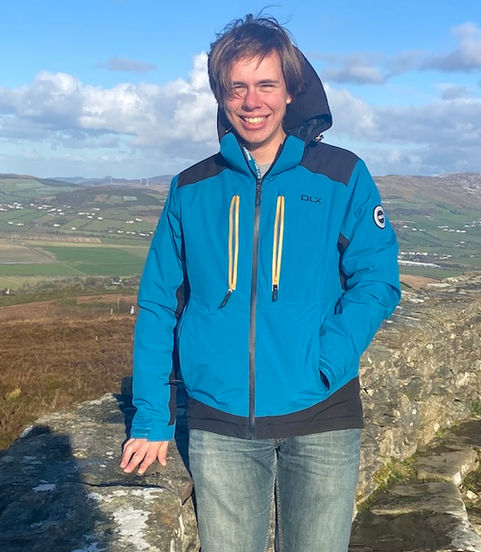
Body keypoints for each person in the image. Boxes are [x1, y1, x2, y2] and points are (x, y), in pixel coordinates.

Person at [120, 13, 400, 552]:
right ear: (221, 97)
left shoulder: (342, 176)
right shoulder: (192, 188)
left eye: (266, 84)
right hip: (218, 422)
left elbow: (377, 281)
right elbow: (159, 304)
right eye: (237, 87)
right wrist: (152, 417)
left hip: (323, 414)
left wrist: (325, 360)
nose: (253, 101)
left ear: (291, 91)